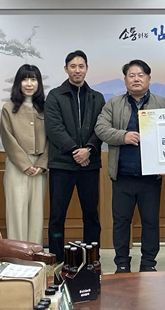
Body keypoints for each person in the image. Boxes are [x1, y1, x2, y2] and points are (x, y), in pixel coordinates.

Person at [95, 59, 165, 273]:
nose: (136, 79)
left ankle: (148, 264)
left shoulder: (162, 103)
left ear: (149, 78)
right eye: (132, 75)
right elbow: (100, 128)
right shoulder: (113, 104)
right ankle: (122, 264)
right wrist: (123, 136)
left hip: (151, 178)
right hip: (122, 176)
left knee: (150, 222)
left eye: (141, 75)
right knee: (121, 222)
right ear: (125, 79)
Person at [44, 50, 105, 263]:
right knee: (57, 215)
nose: (77, 70)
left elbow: (101, 127)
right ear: (66, 69)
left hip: (89, 165)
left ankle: (92, 259)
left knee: (91, 214)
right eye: (73, 66)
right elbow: (54, 128)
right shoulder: (55, 96)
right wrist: (75, 151)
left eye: (81, 66)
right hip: (62, 165)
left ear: (86, 69)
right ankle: (57, 259)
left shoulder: (97, 97)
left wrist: (88, 149)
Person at [0, 64, 48, 244]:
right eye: (25, 79)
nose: (29, 84)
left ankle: (34, 253)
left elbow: (52, 140)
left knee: (36, 212)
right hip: (17, 165)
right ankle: (17, 255)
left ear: (39, 83)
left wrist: (42, 164)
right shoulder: (8, 108)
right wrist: (25, 165)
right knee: (16, 211)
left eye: (33, 79)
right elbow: (7, 138)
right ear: (18, 83)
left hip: (40, 167)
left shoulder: (46, 108)